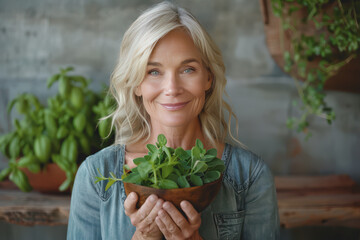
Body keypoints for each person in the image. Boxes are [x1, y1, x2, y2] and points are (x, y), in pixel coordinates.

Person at [67, 1, 280, 239]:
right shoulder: (95, 174)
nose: (172, 88)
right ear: (136, 84)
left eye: (188, 69)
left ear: (208, 77)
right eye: (153, 72)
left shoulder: (249, 176)